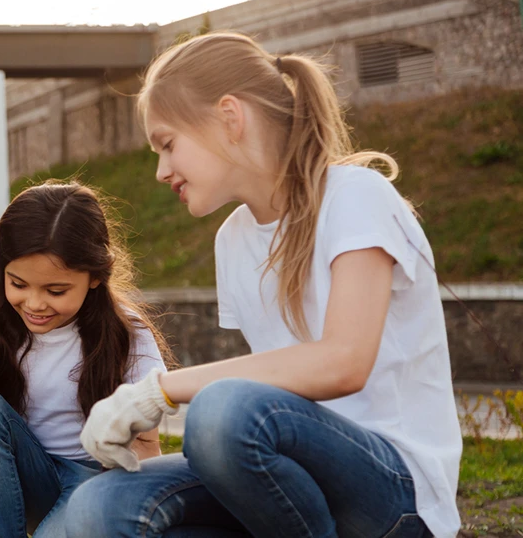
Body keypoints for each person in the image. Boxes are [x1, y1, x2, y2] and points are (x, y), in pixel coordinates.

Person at [66, 32, 461, 537]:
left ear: (230, 117)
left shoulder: (356, 196)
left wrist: (158, 392)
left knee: (222, 413)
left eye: (168, 144)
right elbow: (274, 400)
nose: (162, 170)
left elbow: (344, 362)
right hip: (297, 491)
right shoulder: (233, 241)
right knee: (98, 508)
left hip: (395, 495)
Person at [0, 181, 171, 538]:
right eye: (18, 283)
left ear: (96, 277)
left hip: (98, 487)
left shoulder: (127, 335)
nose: (35, 304)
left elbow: (146, 449)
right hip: (23, 484)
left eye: (55, 291)